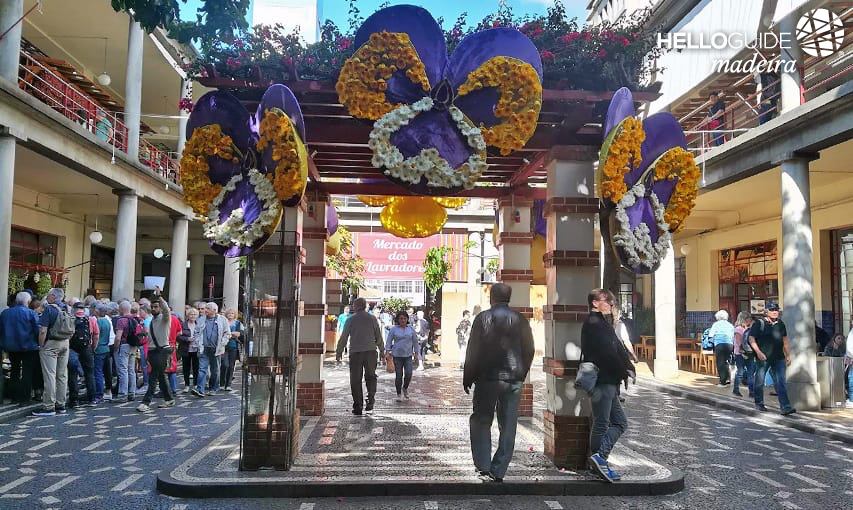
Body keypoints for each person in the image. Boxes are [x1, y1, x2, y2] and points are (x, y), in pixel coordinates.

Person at [463, 283, 534, 483]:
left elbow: (473, 350)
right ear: (509, 297)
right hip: (513, 379)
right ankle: (499, 468)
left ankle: (483, 464)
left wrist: (468, 375)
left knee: (481, 419)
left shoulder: (482, 318)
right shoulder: (520, 319)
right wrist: (522, 373)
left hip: (487, 378)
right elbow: (529, 349)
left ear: (491, 297)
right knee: (509, 424)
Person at [581, 288, 634, 483]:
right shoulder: (594, 323)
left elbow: (615, 348)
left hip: (609, 381)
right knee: (602, 423)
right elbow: (607, 353)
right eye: (607, 301)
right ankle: (599, 459)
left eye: (612, 302)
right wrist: (624, 369)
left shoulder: (601, 323)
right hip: (603, 381)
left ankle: (598, 460)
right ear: (595, 303)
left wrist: (627, 368)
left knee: (619, 423)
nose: (611, 304)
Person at [335, 298, 384, 415]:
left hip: (356, 353)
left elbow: (344, 337)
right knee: (371, 377)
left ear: (356, 307)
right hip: (371, 352)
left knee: (355, 380)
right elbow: (378, 336)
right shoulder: (372, 319)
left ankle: (358, 406)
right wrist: (382, 350)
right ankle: (370, 400)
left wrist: (339, 352)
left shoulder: (351, 320)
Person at [748, 301, 796, 415]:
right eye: (772, 310)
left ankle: (785, 407)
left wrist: (788, 355)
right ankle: (759, 403)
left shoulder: (781, 324)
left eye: (776, 310)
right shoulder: (759, 323)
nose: (775, 312)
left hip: (779, 357)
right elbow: (751, 338)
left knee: (781, 382)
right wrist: (758, 352)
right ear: (766, 311)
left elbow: (785, 341)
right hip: (764, 357)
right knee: (759, 381)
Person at [33, 288, 73, 416]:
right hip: (65, 342)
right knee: (62, 375)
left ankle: (48, 406)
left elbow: (43, 330)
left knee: (50, 375)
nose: (47, 297)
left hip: (51, 343)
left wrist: (41, 345)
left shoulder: (49, 309)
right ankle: (61, 404)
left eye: (49, 295)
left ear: (54, 297)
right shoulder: (68, 308)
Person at [0, 292, 41, 406]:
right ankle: (24, 398)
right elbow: (37, 330)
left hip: (11, 347)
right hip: (29, 347)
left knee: (14, 371)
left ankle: (14, 397)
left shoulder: (5, 313)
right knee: (27, 372)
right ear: (28, 302)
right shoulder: (31, 313)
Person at [137, 293, 175, 412]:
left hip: (162, 351)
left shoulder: (165, 318)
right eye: (152, 307)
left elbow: (167, 310)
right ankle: (169, 399)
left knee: (153, 377)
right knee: (161, 376)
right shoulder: (153, 320)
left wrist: (160, 297)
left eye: (156, 307)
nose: (153, 309)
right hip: (153, 351)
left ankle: (146, 402)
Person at [192, 302, 230, 397]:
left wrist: (223, 343)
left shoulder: (222, 320)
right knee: (202, 369)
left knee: (215, 370)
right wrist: (197, 342)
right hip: (203, 348)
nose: (205, 310)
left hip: (216, 349)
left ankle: (214, 388)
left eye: (207, 309)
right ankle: (200, 389)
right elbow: (196, 332)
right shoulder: (201, 319)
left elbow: (227, 333)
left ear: (214, 310)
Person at [67, 301, 98, 408]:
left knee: (72, 374)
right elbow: (96, 335)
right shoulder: (91, 320)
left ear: (74, 309)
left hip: (72, 349)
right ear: (84, 310)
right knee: (89, 373)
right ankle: (92, 399)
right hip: (87, 348)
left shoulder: (70, 319)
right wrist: (93, 347)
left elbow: (68, 335)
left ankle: (74, 401)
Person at [113, 300, 142, 403]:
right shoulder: (135, 319)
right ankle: (132, 392)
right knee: (131, 370)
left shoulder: (121, 320)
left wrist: (116, 348)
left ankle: (122, 393)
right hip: (133, 346)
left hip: (124, 345)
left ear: (121, 309)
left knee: (123, 370)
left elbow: (118, 337)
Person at [385, 310, 418, 401]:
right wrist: (387, 351)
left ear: (407, 319)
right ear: (398, 320)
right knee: (399, 375)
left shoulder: (411, 329)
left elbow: (415, 341)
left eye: (404, 318)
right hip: (397, 355)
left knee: (409, 374)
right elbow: (389, 341)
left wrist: (416, 353)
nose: (403, 320)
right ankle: (399, 393)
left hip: (408, 355)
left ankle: (405, 388)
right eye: (401, 319)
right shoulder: (394, 329)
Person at [93, 304, 115, 403]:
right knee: (106, 371)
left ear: (97, 311)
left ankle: (99, 394)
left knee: (98, 372)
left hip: (99, 349)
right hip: (106, 348)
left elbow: (96, 337)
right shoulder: (107, 321)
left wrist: (93, 347)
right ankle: (105, 391)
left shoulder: (97, 322)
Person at [709, 310, 735, 386]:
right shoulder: (730, 325)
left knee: (720, 363)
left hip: (719, 345)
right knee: (726, 361)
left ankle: (722, 382)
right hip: (729, 345)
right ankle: (727, 379)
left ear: (717, 317)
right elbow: (733, 335)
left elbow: (710, 335)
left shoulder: (716, 324)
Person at [220, 308, 243, 392]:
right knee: (224, 365)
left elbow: (239, 334)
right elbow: (221, 333)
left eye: (232, 313)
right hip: (224, 346)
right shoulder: (223, 322)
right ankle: (221, 383)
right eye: (229, 313)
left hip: (233, 346)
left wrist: (230, 334)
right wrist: (232, 334)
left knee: (231, 366)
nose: (230, 315)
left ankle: (228, 384)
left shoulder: (238, 323)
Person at [732, 311, 755, 398]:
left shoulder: (749, 328)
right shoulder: (738, 329)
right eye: (749, 318)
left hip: (749, 353)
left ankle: (751, 391)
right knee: (740, 372)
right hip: (739, 354)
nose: (750, 320)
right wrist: (742, 353)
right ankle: (736, 389)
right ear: (744, 319)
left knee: (750, 373)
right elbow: (738, 342)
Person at [179, 307, 201, 392]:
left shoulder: (199, 324)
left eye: (195, 314)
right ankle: (187, 385)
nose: (193, 316)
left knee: (196, 367)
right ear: (188, 315)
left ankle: (195, 384)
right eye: (191, 314)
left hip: (196, 348)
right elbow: (178, 336)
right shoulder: (183, 324)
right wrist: (187, 339)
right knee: (186, 368)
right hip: (186, 348)